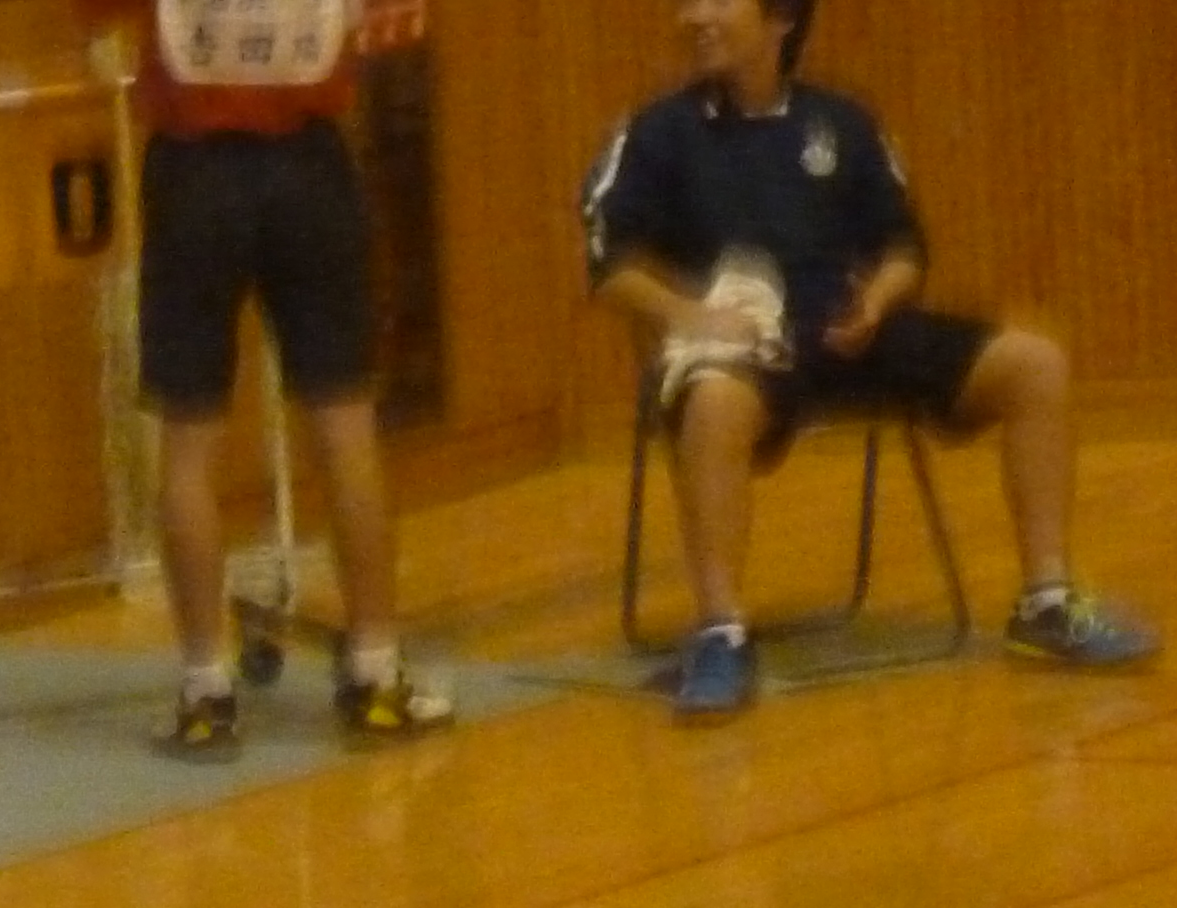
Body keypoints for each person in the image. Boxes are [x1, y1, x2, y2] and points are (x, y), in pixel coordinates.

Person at [585, 0, 1155, 722]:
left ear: (780, 20)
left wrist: (878, 302)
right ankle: (721, 632)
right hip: (747, 351)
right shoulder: (659, 132)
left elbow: (903, 247)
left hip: (851, 335)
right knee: (716, 400)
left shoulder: (842, 122)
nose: (693, 16)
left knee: (1034, 362)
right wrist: (689, 315)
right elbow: (608, 263)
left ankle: (1046, 603)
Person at [80, 0, 455, 756]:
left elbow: (92, 24)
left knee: (189, 444)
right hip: (311, 166)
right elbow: (394, 21)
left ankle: (205, 694)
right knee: (345, 427)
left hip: (194, 173)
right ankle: (376, 674)